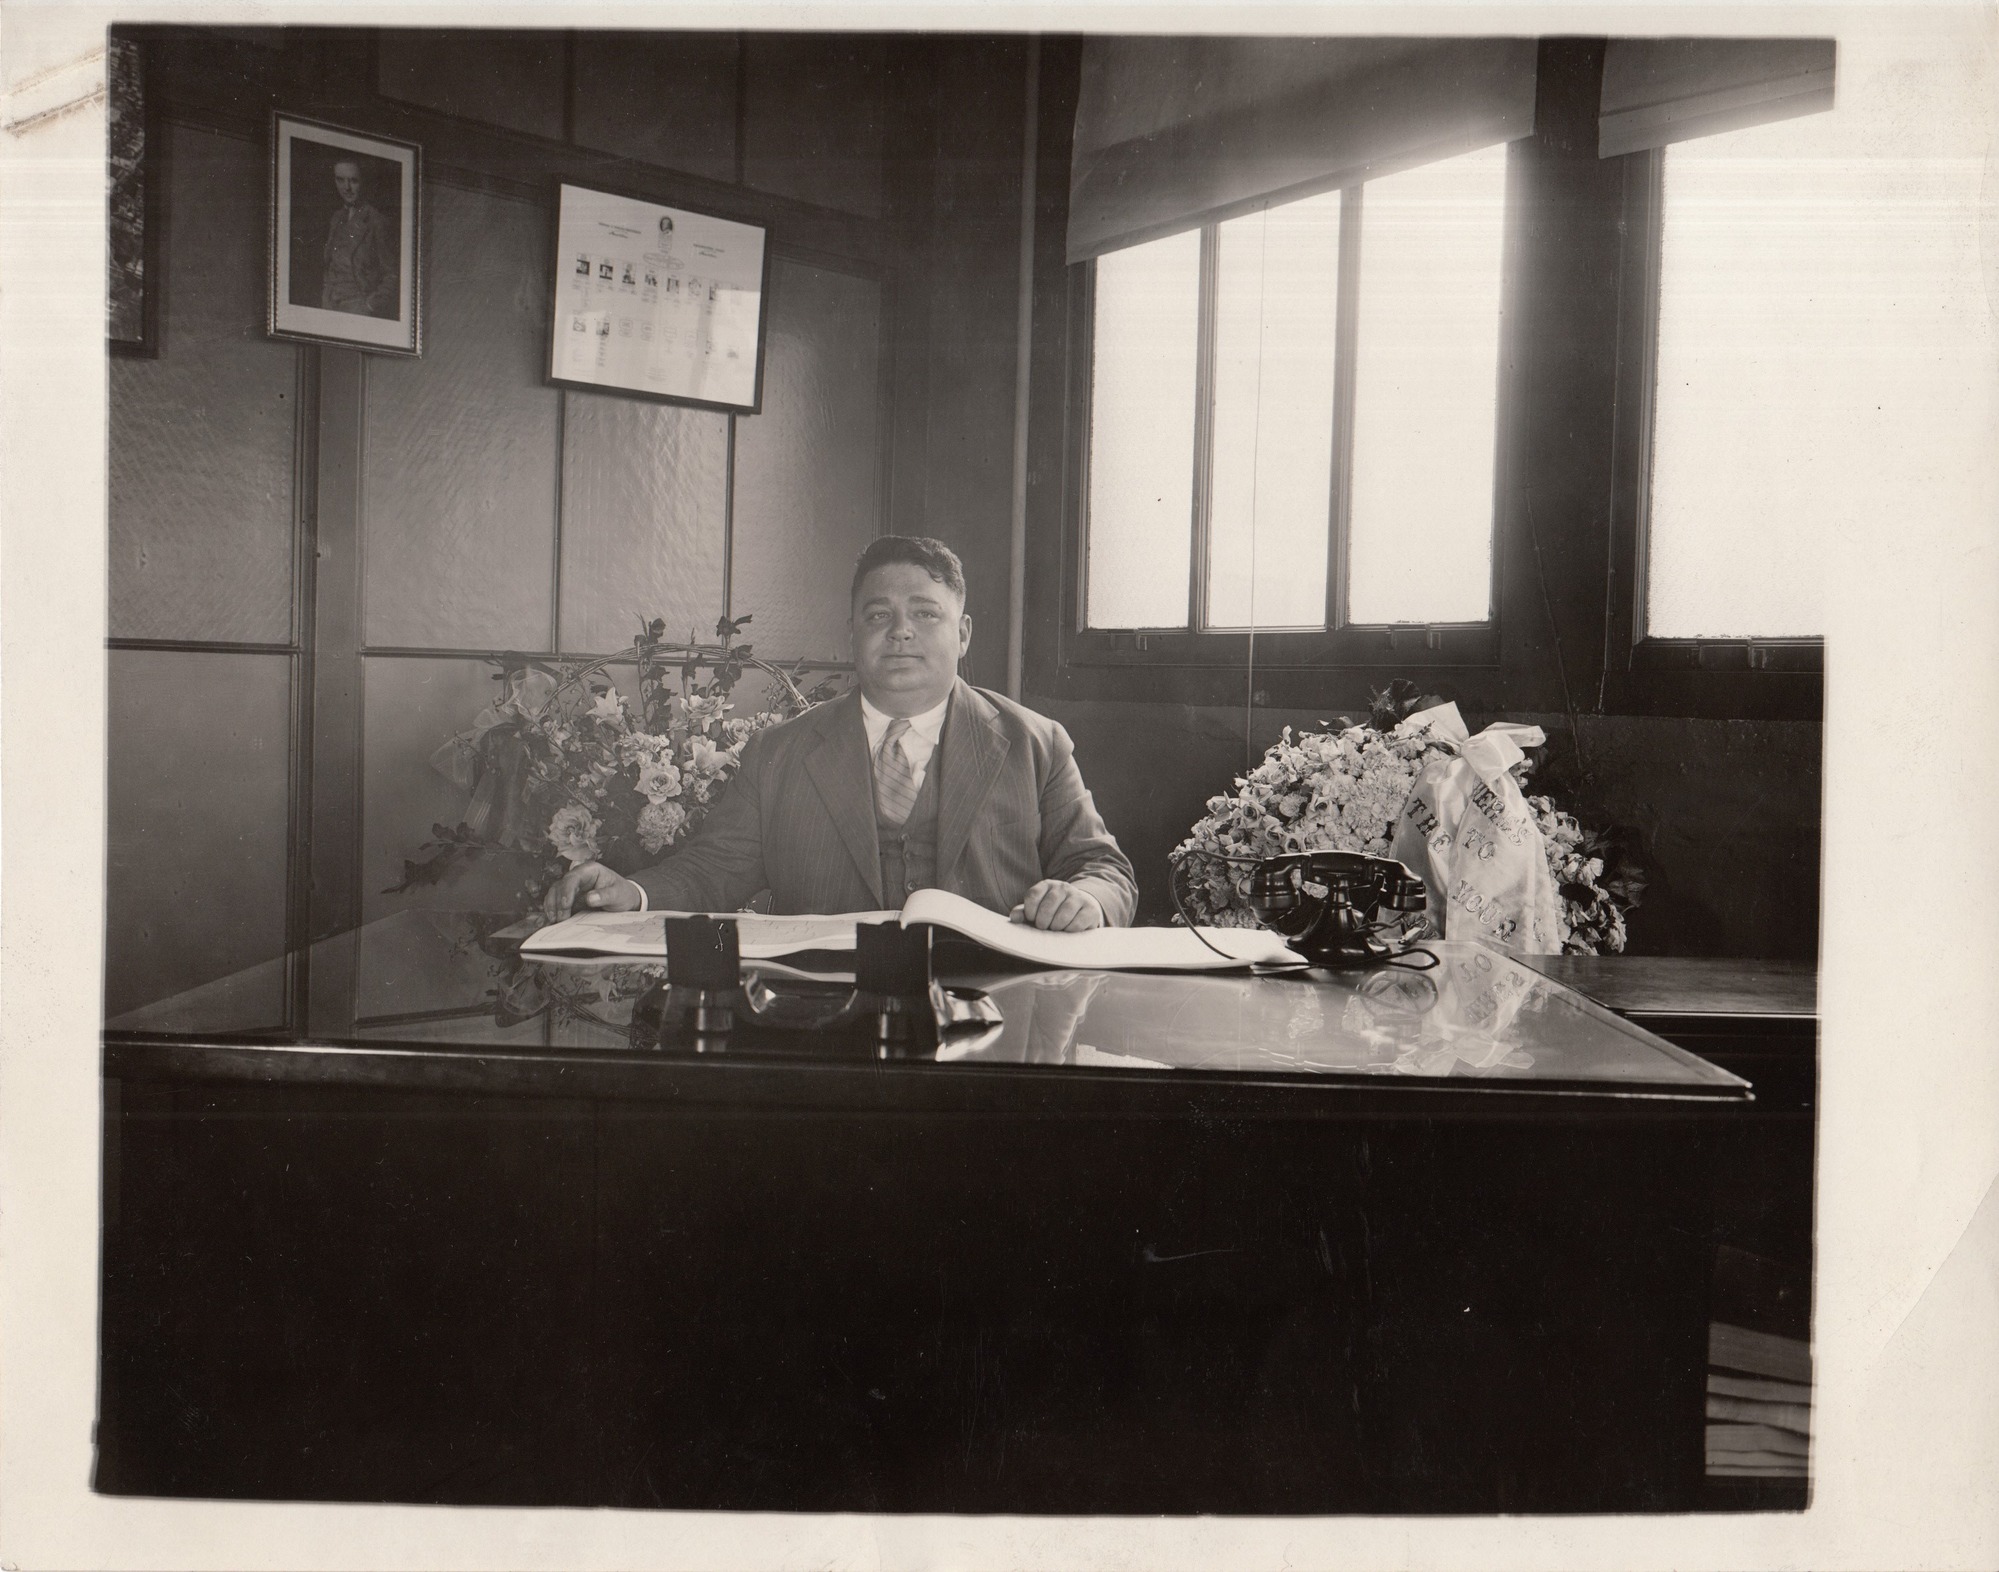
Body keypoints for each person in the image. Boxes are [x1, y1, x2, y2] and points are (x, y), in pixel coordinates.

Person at [544, 536, 1138, 931]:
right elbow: (713, 871)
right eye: (878, 616)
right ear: (852, 633)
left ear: (963, 634)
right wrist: (630, 891)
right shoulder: (778, 752)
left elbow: (1105, 871)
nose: (901, 632)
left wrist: (1086, 901)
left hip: (996, 1008)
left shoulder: (1036, 742)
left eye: (926, 613)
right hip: (824, 1016)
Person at [320, 158, 396, 317]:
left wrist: (369, 306)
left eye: (353, 181)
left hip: (358, 309)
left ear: (364, 182)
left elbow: (392, 275)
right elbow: (329, 265)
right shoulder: (336, 218)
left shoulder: (377, 221)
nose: (346, 188)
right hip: (329, 306)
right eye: (340, 180)